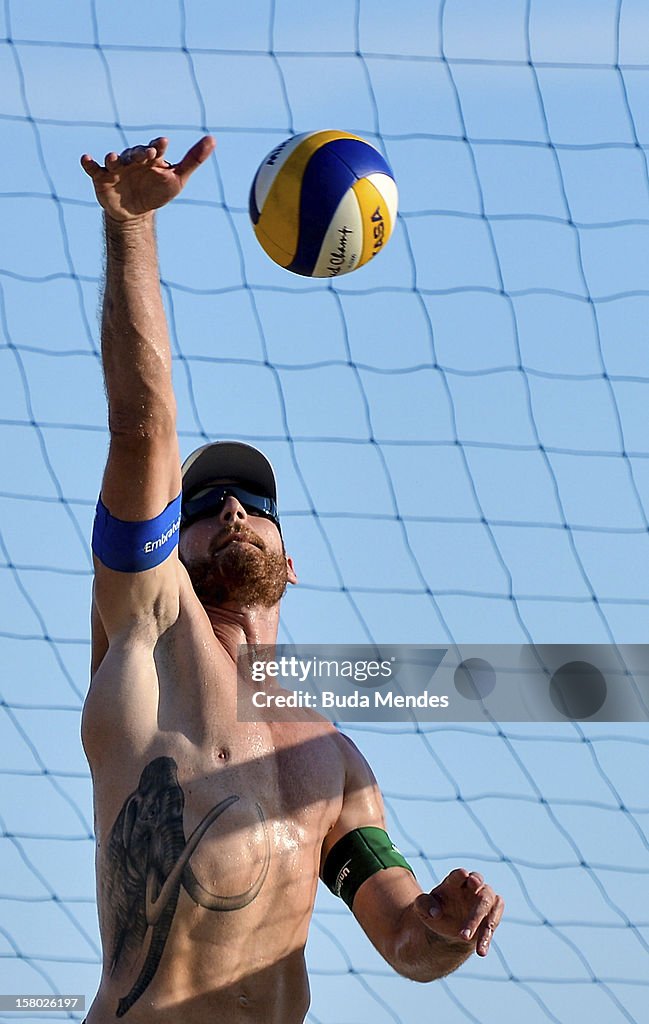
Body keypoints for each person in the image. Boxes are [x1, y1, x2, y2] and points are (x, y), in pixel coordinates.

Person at [80, 135, 504, 1024]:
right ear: (171, 549)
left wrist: (449, 928)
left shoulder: (335, 760)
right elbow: (140, 426)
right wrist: (131, 231)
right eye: (203, 506)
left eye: (251, 502)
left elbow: (405, 945)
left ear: (290, 563)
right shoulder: (147, 636)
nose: (230, 509)